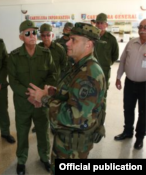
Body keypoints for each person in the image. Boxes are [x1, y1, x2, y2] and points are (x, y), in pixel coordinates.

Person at [27, 23, 106, 174]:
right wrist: (52, 92)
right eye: (69, 39)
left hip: (72, 147)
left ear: (88, 45)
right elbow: (72, 94)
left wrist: (44, 99)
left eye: (73, 40)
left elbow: (74, 116)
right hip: (68, 140)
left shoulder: (88, 74)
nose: (67, 43)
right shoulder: (80, 65)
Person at [8, 20, 57, 175]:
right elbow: (13, 81)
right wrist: (30, 96)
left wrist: (41, 95)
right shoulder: (14, 56)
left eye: (34, 32)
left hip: (41, 103)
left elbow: (53, 75)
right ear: (21, 37)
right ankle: (21, 160)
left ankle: (44, 158)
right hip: (23, 103)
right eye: (27, 33)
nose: (32, 36)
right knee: (22, 133)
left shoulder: (45, 54)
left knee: (43, 132)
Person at [114, 19, 146, 150]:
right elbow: (122, 61)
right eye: (140, 26)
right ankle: (128, 131)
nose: (142, 29)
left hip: (145, 86)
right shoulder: (131, 43)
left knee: (144, 113)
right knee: (128, 108)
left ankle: (140, 138)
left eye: (145, 27)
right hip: (129, 83)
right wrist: (118, 77)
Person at [31, 23, 67, 133]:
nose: (46, 37)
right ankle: (39, 125)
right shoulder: (37, 49)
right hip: (41, 82)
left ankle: (53, 125)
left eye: (48, 35)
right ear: (40, 36)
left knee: (53, 105)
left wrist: (61, 82)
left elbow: (64, 66)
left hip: (55, 83)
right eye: (43, 35)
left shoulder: (59, 49)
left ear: (52, 35)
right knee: (39, 105)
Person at [94, 13, 119, 102]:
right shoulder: (91, 37)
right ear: (95, 24)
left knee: (102, 95)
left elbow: (115, 55)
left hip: (104, 71)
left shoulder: (111, 39)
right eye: (98, 23)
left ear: (106, 25)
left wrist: (106, 63)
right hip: (90, 70)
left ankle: (101, 114)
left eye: (102, 23)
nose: (100, 25)